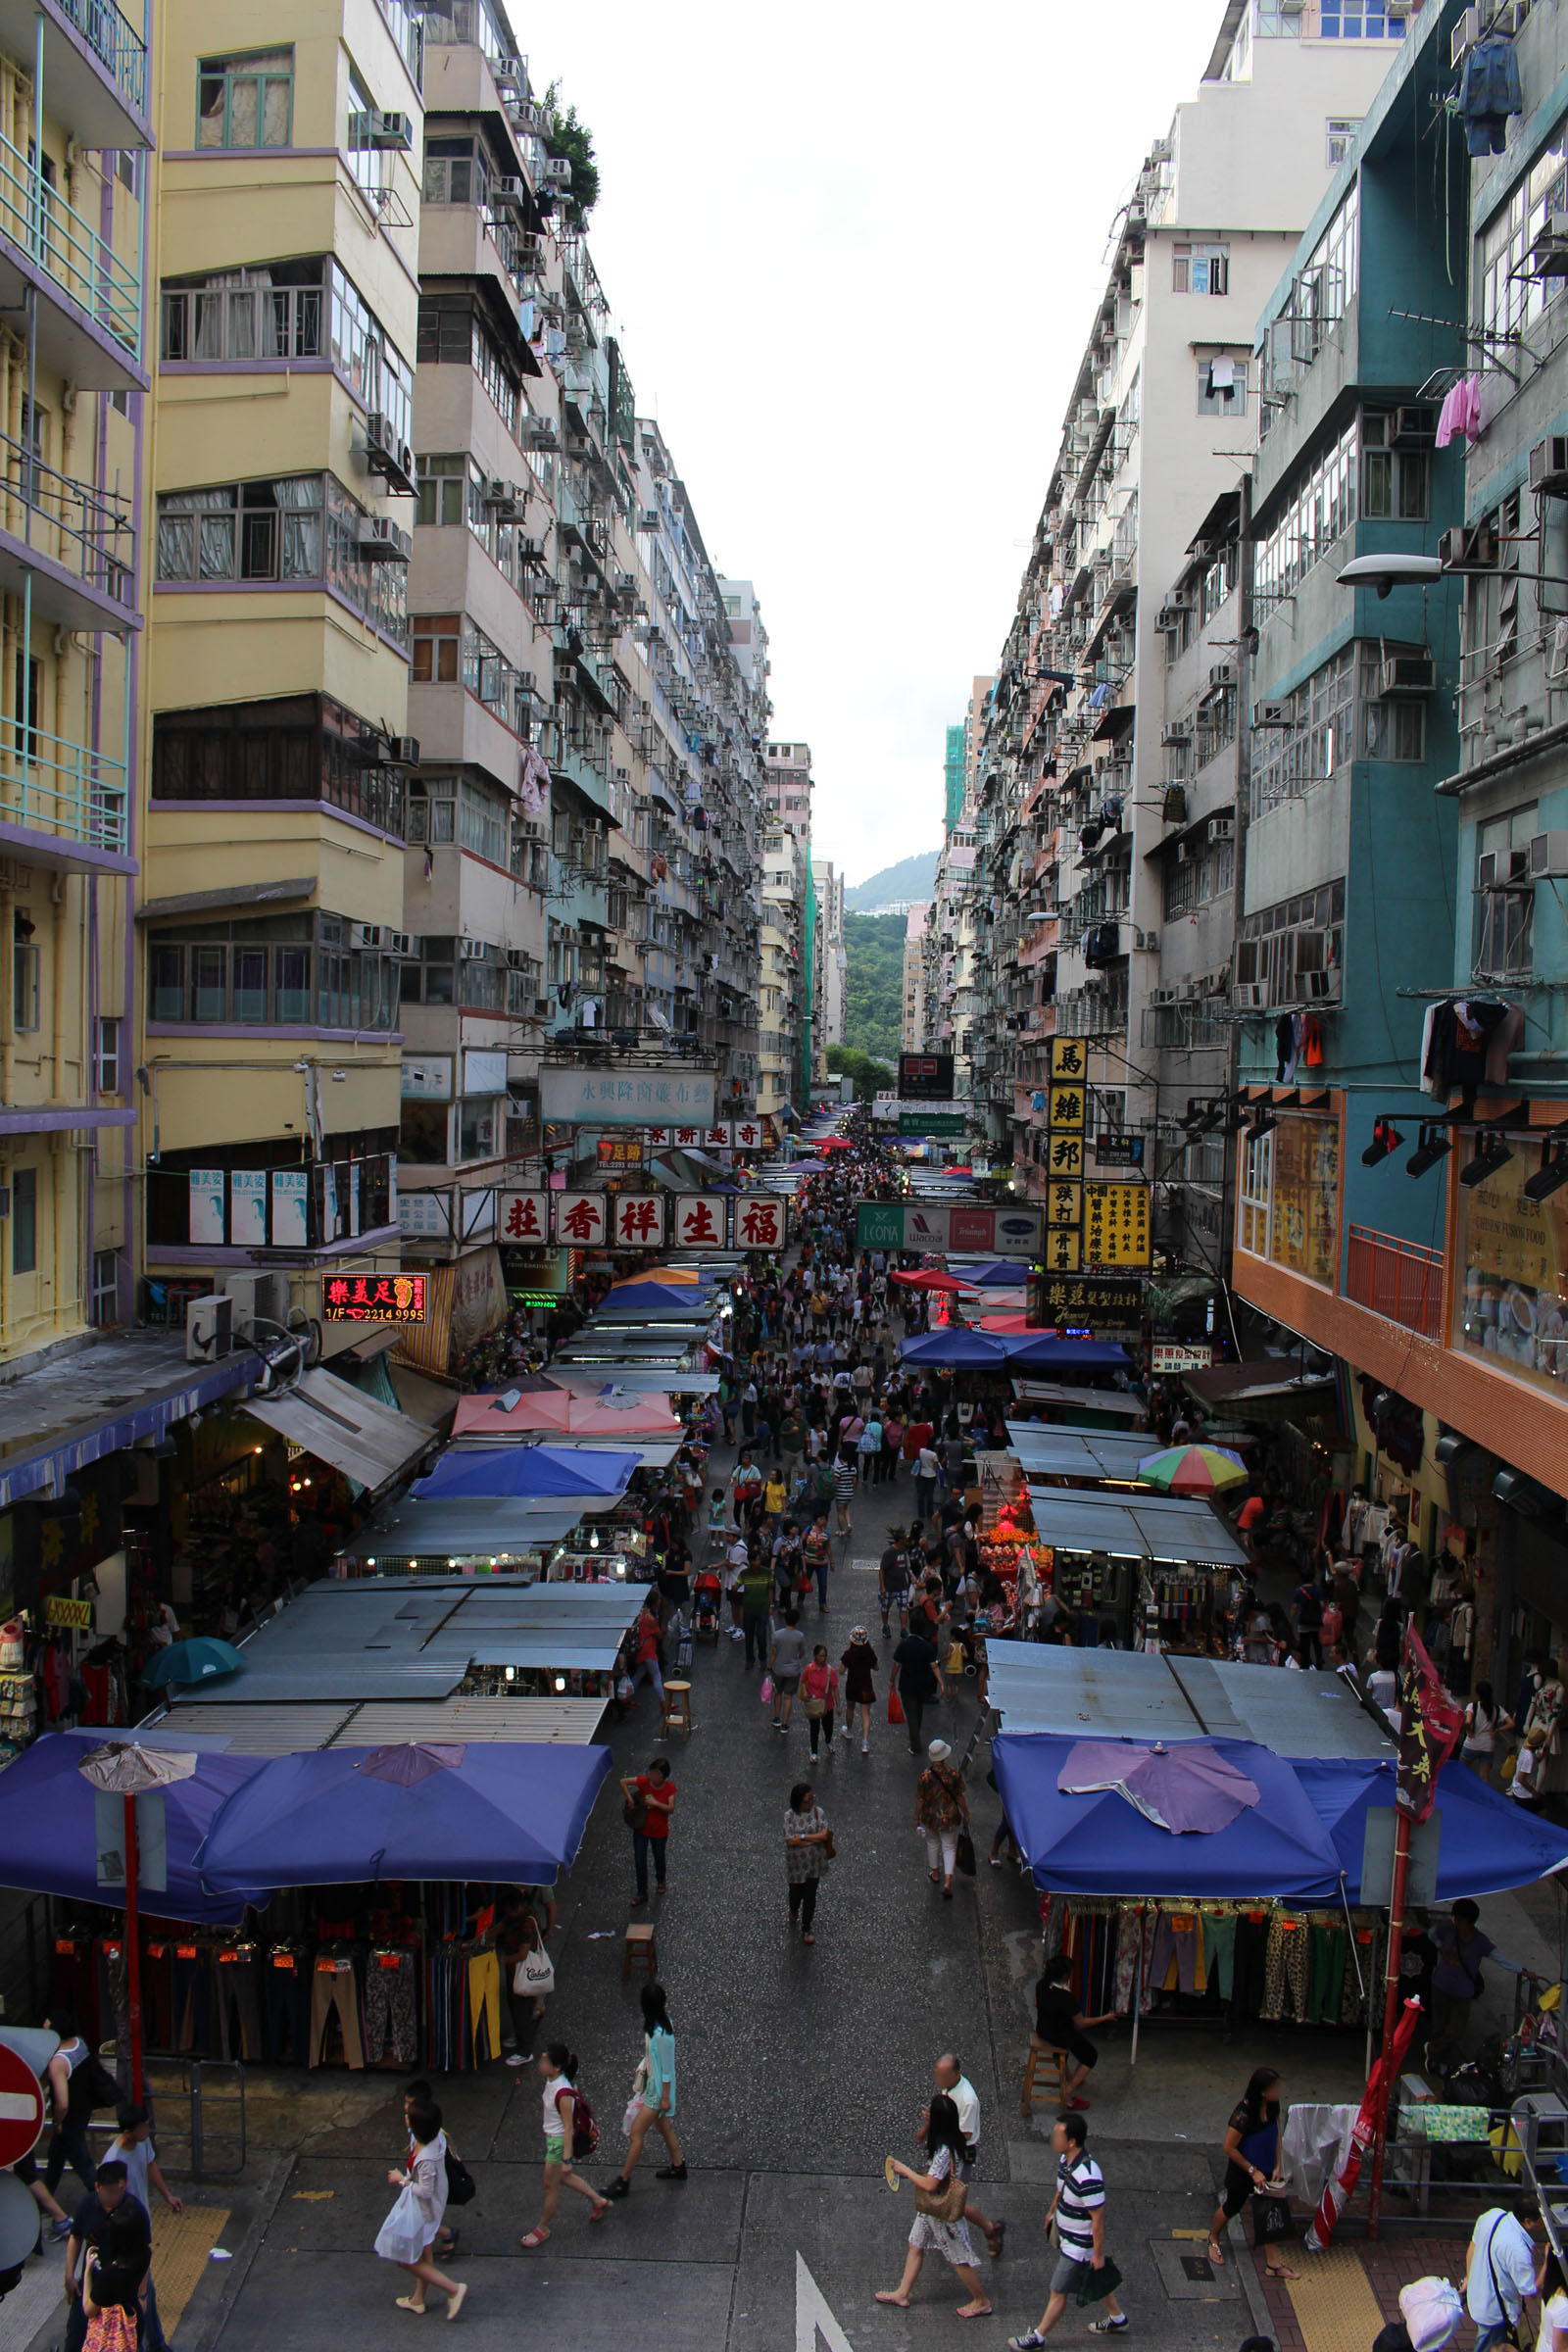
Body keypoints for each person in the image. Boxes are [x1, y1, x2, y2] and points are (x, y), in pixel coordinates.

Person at [1005, 2110, 1128, 2345]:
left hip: (1079, 2247)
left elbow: (1098, 2219)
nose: (1053, 2139)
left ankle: (1038, 2337)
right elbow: (1061, 2189)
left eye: (1057, 2135)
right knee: (1094, 2279)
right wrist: (1052, 2211)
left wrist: (1098, 2255)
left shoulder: (1089, 2177)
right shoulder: (1066, 2161)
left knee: (1057, 2290)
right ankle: (1117, 2318)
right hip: (1068, 2239)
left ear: (1072, 2142)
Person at [875, 2090, 992, 2321]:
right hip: (931, 2209)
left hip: (941, 2211)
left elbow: (930, 2184)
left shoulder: (943, 2150)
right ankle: (902, 2293)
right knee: (915, 2244)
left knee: (959, 2259)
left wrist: (904, 2170)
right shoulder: (956, 2139)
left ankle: (981, 2301)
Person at [1206, 2067, 1298, 2279]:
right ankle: (1214, 2237)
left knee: (1269, 2213)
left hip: (1265, 2171)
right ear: (1263, 2092)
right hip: (1244, 2172)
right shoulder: (1243, 2114)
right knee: (1232, 2207)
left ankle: (1273, 2265)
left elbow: (1275, 2135)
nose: (1279, 2091)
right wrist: (1252, 2170)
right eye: (1275, 2088)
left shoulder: (1273, 2106)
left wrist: (1277, 2165)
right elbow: (1229, 2147)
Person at [379, 2094, 466, 2319]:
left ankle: (454, 2289)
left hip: (424, 2209)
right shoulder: (428, 2137)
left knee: (407, 2259)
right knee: (424, 2253)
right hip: (425, 2208)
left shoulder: (426, 2156)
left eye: (409, 2116)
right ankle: (418, 2300)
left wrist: (401, 2179)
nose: (405, 2117)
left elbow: (425, 2191)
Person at [1427, 1898, 1529, 2076]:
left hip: (1462, 1992)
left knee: (1455, 2032)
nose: (1458, 1924)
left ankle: (1432, 2051)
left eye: (1461, 1921)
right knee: (1439, 2027)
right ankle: (1437, 2062)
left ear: (1470, 1922)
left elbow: (1500, 1958)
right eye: (1456, 1919)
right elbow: (1432, 1933)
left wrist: (1522, 1971)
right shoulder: (1449, 1930)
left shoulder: (1480, 1942)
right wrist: (1442, 1948)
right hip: (1440, 1986)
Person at [521, 2047, 611, 2245]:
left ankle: (542, 2228)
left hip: (557, 2143)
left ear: (557, 2067)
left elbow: (568, 2127)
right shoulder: (553, 2081)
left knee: (550, 2186)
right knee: (563, 2177)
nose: (540, 2064)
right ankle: (597, 2201)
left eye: (544, 2062)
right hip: (554, 2139)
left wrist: (566, 2159)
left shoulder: (563, 2093)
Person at [603, 1983, 685, 2195]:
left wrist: (665, 2098)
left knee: (636, 2134)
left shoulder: (661, 2034)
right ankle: (678, 2166)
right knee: (663, 2127)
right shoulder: (660, 2027)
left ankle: (624, 2180)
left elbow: (666, 2070)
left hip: (656, 2093)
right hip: (654, 2088)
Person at [63, 2162, 151, 2352]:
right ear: (97, 2187)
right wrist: (69, 2275)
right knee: (74, 2337)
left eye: (117, 2191)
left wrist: (86, 2271)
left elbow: (89, 2310)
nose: (113, 2197)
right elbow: (75, 2237)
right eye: (108, 2191)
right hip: (121, 2307)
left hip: (109, 2298)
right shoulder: (87, 2205)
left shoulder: (133, 2212)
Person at [932, 2053, 1004, 2260]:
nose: (938, 2079)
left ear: (955, 2074)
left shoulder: (967, 2100)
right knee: (943, 2195)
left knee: (955, 2201)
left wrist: (937, 2127)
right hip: (945, 2149)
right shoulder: (949, 2086)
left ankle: (989, 2229)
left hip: (958, 2154)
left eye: (942, 2075)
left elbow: (965, 2134)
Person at [1033, 1953, 1115, 2110]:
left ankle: (1070, 2076)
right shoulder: (1066, 1997)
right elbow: (1081, 2023)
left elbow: (1036, 2003)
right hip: (1061, 2034)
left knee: (1065, 2047)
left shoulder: (1041, 1985)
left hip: (1043, 2029)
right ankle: (1068, 2093)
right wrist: (1105, 2018)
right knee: (1090, 2055)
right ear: (1065, 1975)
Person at [1464, 2204, 1540, 2352]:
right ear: (1528, 2221)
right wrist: (1547, 2266)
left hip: (1478, 2297)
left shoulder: (1493, 2215)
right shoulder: (1519, 2251)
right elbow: (1529, 2292)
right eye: (1541, 2220)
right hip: (1495, 2312)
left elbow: (1473, 2246)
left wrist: (1469, 2278)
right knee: (1491, 2347)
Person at [43, 2007, 99, 2199]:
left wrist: (58, 2122)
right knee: (55, 2157)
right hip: (83, 2110)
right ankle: (45, 2196)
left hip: (69, 2120)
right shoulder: (79, 2044)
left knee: (83, 2164)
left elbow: (63, 2104)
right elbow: (74, 2077)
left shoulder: (56, 2063)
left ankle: (102, 2199)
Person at [79, 2207, 150, 2352]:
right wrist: (142, 2298)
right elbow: (142, 2289)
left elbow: (89, 2310)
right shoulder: (145, 2254)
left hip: (107, 2336)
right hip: (132, 2323)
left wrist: (87, 2272)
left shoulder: (109, 2275)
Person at [915, 1738, 970, 1898]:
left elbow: (920, 1799)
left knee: (932, 1843)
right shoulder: (953, 1774)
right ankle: (948, 1880)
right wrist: (966, 1813)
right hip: (950, 1816)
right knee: (949, 1847)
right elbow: (960, 1796)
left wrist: (916, 1817)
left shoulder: (925, 1776)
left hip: (930, 1816)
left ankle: (935, 1872)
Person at [620, 1755, 676, 1909]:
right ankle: (642, 1892)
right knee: (640, 1860)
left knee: (659, 1857)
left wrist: (656, 1804)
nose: (652, 1776)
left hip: (659, 1831)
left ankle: (661, 1880)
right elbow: (623, 1782)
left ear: (662, 1776)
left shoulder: (669, 1789)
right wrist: (630, 1800)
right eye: (651, 1772)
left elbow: (671, 1808)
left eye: (655, 1774)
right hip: (642, 1829)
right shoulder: (645, 1782)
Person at [785, 1779, 832, 1941]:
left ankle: (807, 1927)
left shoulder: (818, 1812)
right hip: (796, 1865)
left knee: (810, 1896)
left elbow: (825, 1835)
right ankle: (793, 1909)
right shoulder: (789, 1816)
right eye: (808, 1800)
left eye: (812, 1798)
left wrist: (804, 1837)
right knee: (796, 1893)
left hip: (814, 1863)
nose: (811, 1802)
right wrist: (815, 1839)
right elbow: (790, 1840)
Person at [894, 1622, 945, 1756]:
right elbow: (934, 1666)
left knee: (911, 1714)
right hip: (923, 1685)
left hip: (907, 1685)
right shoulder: (927, 1647)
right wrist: (941, 1682)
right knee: (919, 1710)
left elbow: (896, 1665)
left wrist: (891, 1680)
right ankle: (916, 1734)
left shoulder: (904, 1645)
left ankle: (915, 1744)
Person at [1463, 1683, 1515, 1786]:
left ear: (1477, 1693)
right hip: (1488, 1745)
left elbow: (1468, 1722)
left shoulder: (1472, 1706)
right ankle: (1483, 1797)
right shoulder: (1497, 1709)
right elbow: (1512, 1723)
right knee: (1484, 1776)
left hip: (1472, 1743)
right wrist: (1497, 1730)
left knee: (1462, 1770)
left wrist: (1467, 1730)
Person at [841, 1627, 878, 1753]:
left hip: (852, 1685)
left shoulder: (848, 1654)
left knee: (850, 1708)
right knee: (866, 1714)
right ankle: (865, 1743)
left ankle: (849, 1731)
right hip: (866, 1685)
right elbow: (876, 1667)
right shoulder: (870, 1653)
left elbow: (841, 1671)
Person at [769, 1606, 808, 1733]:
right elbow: (801, 1653)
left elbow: (774, 1652)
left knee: (778, 1693)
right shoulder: (800, 1636)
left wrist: (770, 1665)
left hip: (778, 1669)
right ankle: (785, 1724)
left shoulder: (777, 1635)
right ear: (797, 1621)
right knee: (788, 1697)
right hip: (793, 1670)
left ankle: (776, 1718)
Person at [801, 1643, 839, 1761]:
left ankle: (828, 1740)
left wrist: (838, 1705)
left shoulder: (830, 1671)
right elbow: (803, 1682)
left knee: (828, 1727)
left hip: (827, 1705)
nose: (823, 1659)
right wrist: (804, 1693)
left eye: (824, 1656)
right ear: (815, 1656)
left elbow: (835, 1688)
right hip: (813, 1704)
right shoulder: (809, 1669)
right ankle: (814, 1752)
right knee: (814, 1728)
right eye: (820, 1656)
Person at [627, 1601, 665, 1705]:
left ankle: (628, 1698)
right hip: (649, 1650)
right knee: (656, 1675)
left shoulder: (641, 1615)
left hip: (641, 1649)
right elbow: (659, 1635)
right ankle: (663, 1703)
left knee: (639, 1674)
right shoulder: (650, 1619)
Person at [804, 1510, 833, 1617]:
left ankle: (823, 1603)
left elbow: (828, 1548)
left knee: (823, 1584)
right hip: (808, 1561)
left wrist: (832, 1561)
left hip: (821, 1562)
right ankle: (800, 1600)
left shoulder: (826, 1533)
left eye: (824, 1519)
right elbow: (801, 1540)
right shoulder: (809, 1530)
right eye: (821, 1519)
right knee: (805, 1580)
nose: (823, 1521)